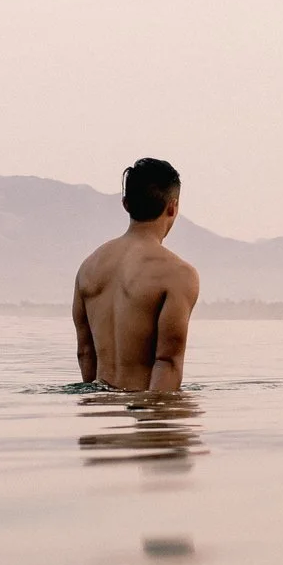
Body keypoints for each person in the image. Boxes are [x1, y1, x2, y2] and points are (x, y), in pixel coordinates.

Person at [73, 158, 201, 393]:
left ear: (125, 204)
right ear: (172, 207)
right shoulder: (178, 274)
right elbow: (167, 362)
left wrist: (97, 413)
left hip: (99, 417)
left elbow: (85, 351)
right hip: (146, 414)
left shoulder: (89, 267)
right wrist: (154, 424)